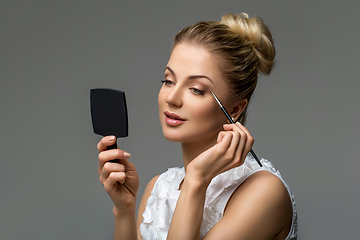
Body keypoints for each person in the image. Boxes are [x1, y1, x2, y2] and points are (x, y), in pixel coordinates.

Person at [97, 12, 297, 240]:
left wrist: (196, 180)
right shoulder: (159, 188)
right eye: (169, 81)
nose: (172, 97)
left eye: (197, 89)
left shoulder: (263, 192)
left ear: (235, 110)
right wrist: (124, 210)